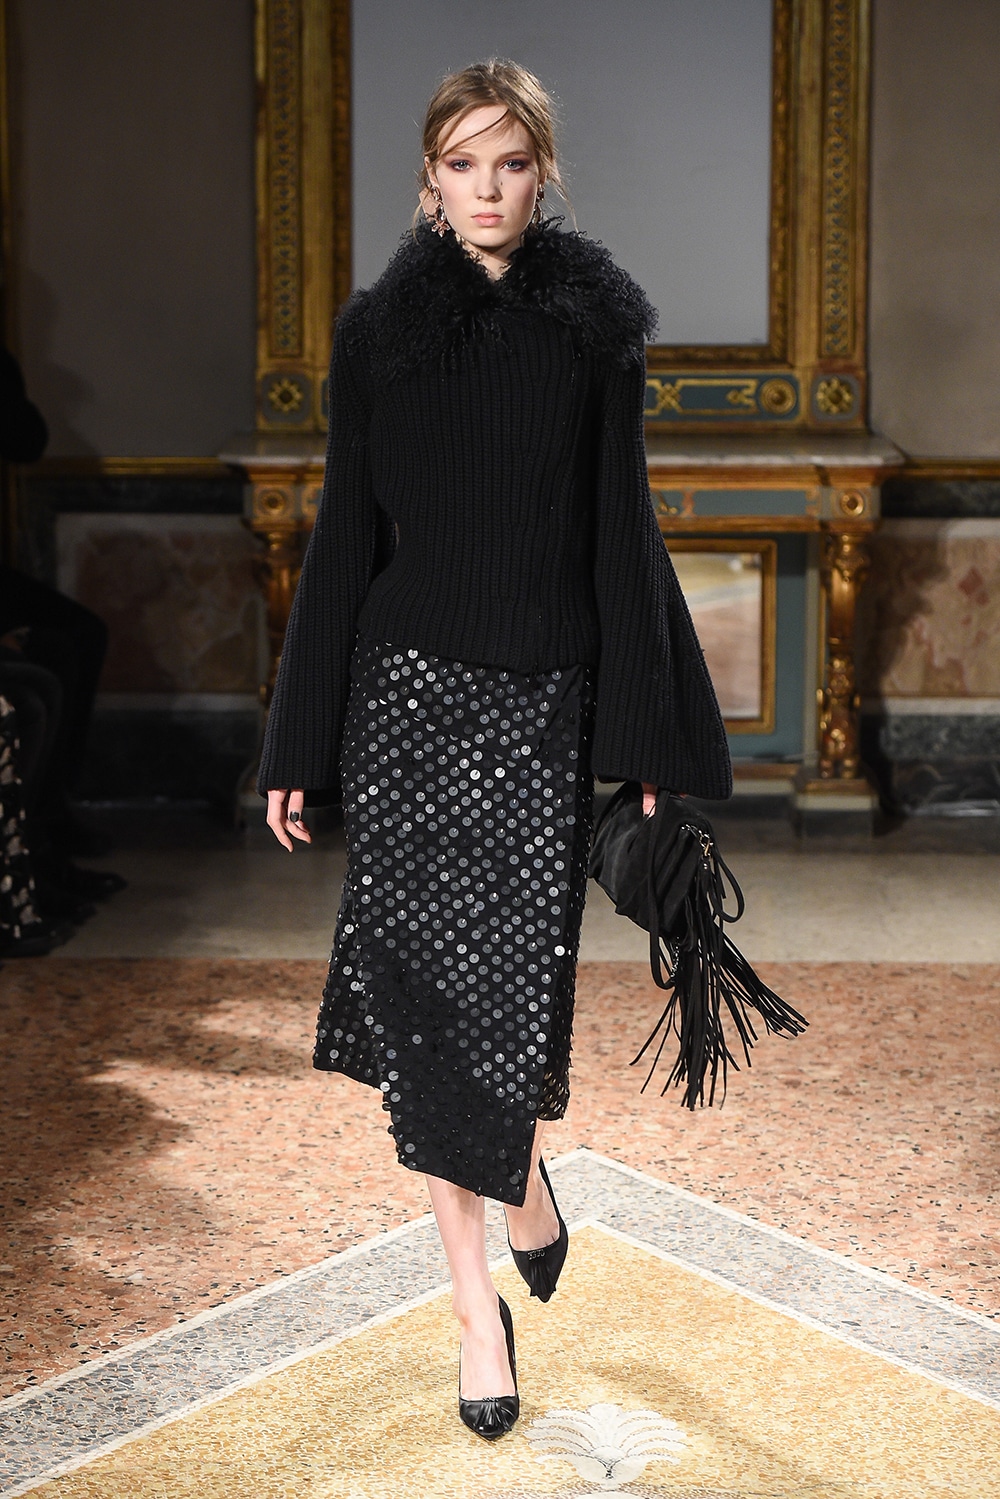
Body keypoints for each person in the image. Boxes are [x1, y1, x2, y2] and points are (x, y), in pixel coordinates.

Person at [259, 60, 731, 1439]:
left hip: (540, 707)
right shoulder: (379, 335)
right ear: (428, 180)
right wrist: (298, 740)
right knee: (425, 1009)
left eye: (510, 163)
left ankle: (521, 1179)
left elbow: (621, 534)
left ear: (543, 175)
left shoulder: (594, 332)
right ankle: (476, 1310)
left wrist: (644, 733)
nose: (487, 188)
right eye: (462, 163)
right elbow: (346, 536)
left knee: (504, 1001)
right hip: (404, 701)